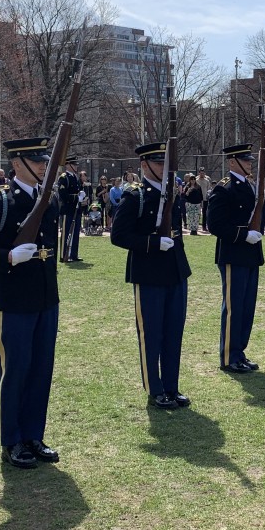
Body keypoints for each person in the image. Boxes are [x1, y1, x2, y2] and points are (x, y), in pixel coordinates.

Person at [0, 137, 60, 468]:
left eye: (46, 160)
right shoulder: (0, 201)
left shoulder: (50, 199)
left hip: (46, 296)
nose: (46, 165)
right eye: (38, 160)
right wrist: (6, 257)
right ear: (18, 164)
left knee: (41, 369)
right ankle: (12, 440)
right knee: (16, 369)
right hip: (15, 298)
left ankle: (33, 435)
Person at [111, 142, 192, 409]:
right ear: (144, 166)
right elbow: (119, 236)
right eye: (159, 163)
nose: (164, 168)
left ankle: (172, 385)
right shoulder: (135, 195)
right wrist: (152, 243)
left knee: (173, 332)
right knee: (151, 333)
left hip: (176, 269)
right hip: (148, 272)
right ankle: (155, 387)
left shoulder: (173, 193)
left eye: (166, 163)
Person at [207, 143, 264, 373]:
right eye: (245, 159)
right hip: (233, 252)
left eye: (250, 159)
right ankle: (229, 356)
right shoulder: (224, 188)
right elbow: (215, 225)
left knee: (247, 306)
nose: (250, 163)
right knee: (233, 307)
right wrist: (243, 235)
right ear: (232, 162)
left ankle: (239, 352)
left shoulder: (249, 185)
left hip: (250, 253)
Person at [58, 156, 84, 262]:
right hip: (67, 209)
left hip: (76, 210)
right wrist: (76, 197)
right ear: (68, 165)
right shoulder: (64, 177)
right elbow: (63, 195)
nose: (76, 166)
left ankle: (73, 254)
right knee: (67, 232)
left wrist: (81, 196)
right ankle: (64, 255)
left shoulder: (75, 177)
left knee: (75, 232)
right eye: (74, 164)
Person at [196, 167, 211, 232]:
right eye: (201, 173)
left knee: (204, 213)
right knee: (197, 213)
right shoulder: (196, 180)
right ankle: (195, 226)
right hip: (198, 199)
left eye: (203, 173)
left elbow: (209, 189)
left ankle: (204, 226)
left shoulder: (207, 181)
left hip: (205, 199)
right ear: (199, 173)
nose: (202, 174)